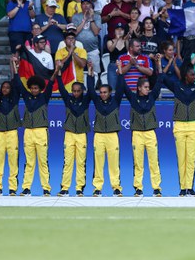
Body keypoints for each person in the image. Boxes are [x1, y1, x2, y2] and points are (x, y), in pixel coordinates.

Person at [12, 55, 56, 196]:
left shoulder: (44, 97)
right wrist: (15, 67)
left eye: (36, 88)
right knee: (29, 162)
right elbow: (18, 83)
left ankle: (46, 188)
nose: (34, 90)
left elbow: (51, 82)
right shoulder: (26, 96)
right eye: (32, 88)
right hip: (28, 133)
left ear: (40, 88)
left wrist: (57, 70)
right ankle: (26, 188)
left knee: (43, 161)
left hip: (41, 132)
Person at [162, 66, 195, 196]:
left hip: (193, 126)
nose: (194, 77)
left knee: (191, 159)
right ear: (186, 76)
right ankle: (182, 188)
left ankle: (190, 187)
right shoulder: (176, 87)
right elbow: (163, 78)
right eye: (192, 75)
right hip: (179, 126)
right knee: (182, 158)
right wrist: (159, 64)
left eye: (194, 75)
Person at [125, 63, 164, 197]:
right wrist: (119, 70)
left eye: (148, 87)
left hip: (150, 133)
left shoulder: (152, 97)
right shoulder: (133, 98)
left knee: (154, 162)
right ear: (139, 88)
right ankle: (138, 188)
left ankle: (157, 188)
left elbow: (159, 81)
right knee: (138, 162)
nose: (148, 89)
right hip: (137, 134)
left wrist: (158, 65)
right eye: (146, 87)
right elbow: (122, 86)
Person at [55, 61, 92, 197]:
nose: (76, 93)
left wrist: (91, 73)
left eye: (78, 91)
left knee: (81, 162)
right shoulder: (68, 100)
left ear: (82, 91)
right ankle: (65, 188)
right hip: (69, 134)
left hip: (81, 134)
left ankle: (79, 189)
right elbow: (61, 89)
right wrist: (59, 73)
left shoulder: (86, 100)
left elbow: (92, 90)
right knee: (68, 162)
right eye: (74, 91)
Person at [88, 62, 125, 197]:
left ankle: (116, 187)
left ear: (110, 93)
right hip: (99, 136)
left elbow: (121, 88)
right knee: (98, 163)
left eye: (105, 92)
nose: (102, 94)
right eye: (101, 92)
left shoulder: (116, 101)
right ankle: (97, 188)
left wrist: (120, 71)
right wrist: (90, 73)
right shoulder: (97, 102)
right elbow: (91, 91)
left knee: (114, 163)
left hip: (112, 136)